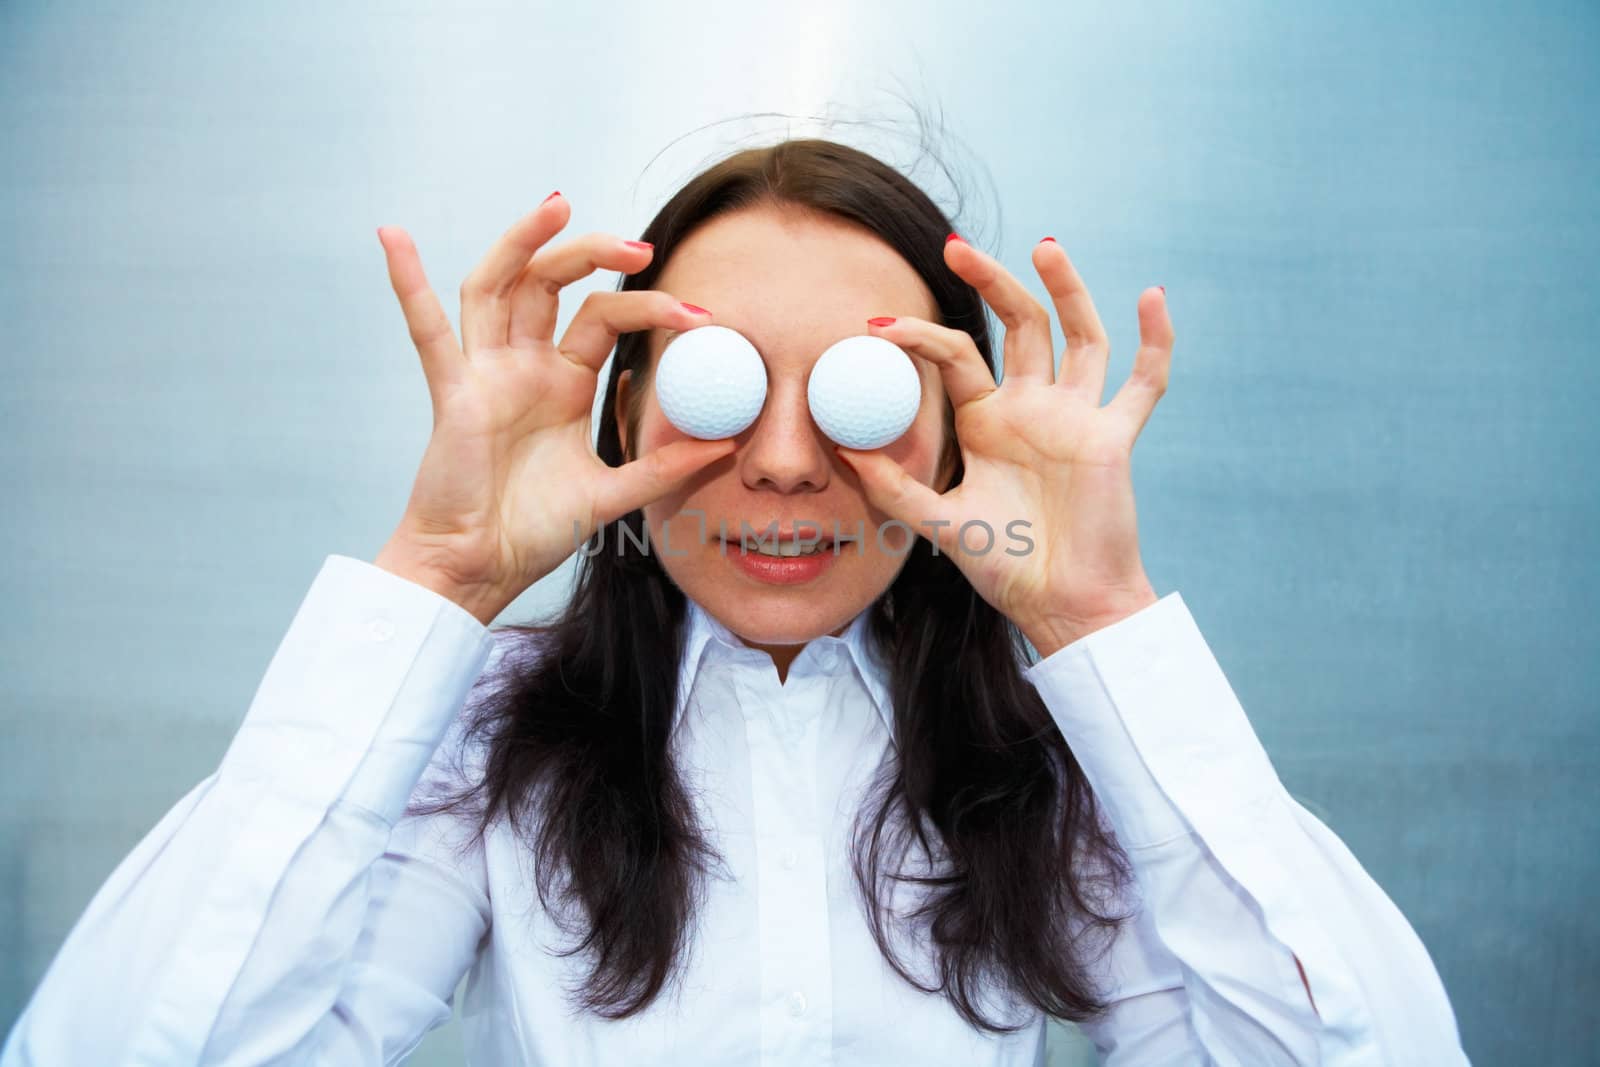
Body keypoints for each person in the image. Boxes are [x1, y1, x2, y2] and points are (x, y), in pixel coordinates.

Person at [2, 139, 1468, 1065]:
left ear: (959, 430)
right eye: (716, 389)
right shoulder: (495, 741)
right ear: (625, 417)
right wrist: (436, 580)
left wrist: (1099, 626)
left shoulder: (1054, 760)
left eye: (860, 393)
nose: (777, 461)